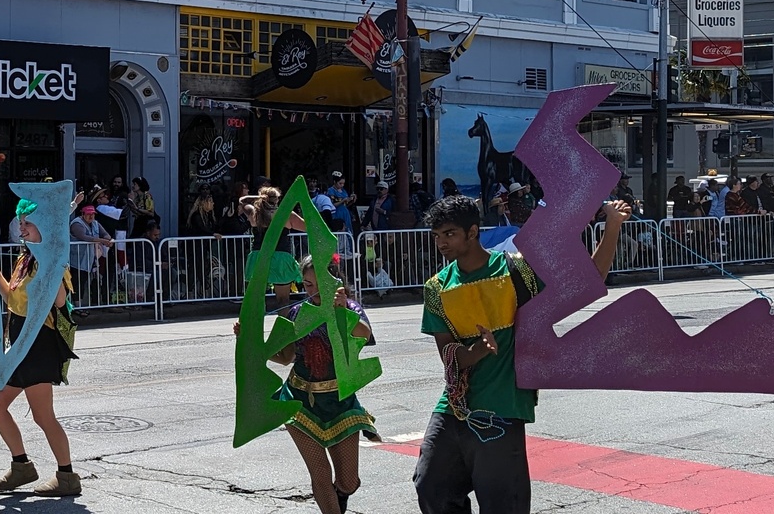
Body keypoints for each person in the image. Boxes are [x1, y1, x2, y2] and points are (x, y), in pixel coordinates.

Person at [413, 195, 630, 513]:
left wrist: (611, 226)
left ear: (472, 232)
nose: (441, 243)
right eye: (436, 236)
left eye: (449, 234)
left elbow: (589, 279)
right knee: (430, 485)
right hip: (455, 406)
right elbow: (447, 352)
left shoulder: (517, 271)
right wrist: (474, 353)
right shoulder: (436, 288)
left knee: (503, 504)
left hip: (504, 406)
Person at [234, 253, 375, 514]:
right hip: (299, 402)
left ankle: (340, 496)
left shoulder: (350, 308)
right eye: (309, 285)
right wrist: (248, 340)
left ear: (335, 280)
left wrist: (341, 311)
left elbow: (364, 335)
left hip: (340, 401)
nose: (315, 290)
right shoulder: (298, 312)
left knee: (349, 481)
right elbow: (285, 357)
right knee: (320, 474)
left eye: (320, 283)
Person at [0, 198, 81, 497]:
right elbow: (11, 298)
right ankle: (21, 466)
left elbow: (60, 302)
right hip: (19, 344)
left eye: (26, 222)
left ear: (43, 227)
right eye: (20, 222)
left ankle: (67, 476)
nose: (21, 227)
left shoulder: (51, 258)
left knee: (43, 416)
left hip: (39, 345)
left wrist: (53, 269)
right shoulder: (24, 258)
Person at [242, 186, 305, 312]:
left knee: (255, 299)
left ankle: (253, 329)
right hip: (281, 258)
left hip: (258, 257)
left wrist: (259, 198)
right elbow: (308, 226)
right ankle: (284, 328)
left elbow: (242, 201)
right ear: (277, 199)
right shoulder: (286, 214)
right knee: (283, 300)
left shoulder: (255, 213)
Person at [69, 206, 113, 307]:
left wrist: (108, 239)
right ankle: (77, 305)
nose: (91, 216)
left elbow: (105, 234)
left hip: (89, 259)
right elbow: (84, 237)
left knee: (84, 281)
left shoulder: (95, 223)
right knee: (77, 282)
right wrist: (102, 241)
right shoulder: (77, 223)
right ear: (82, 214)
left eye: (92, 214)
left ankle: (87, 303)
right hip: (76, 259)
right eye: (88, 214)